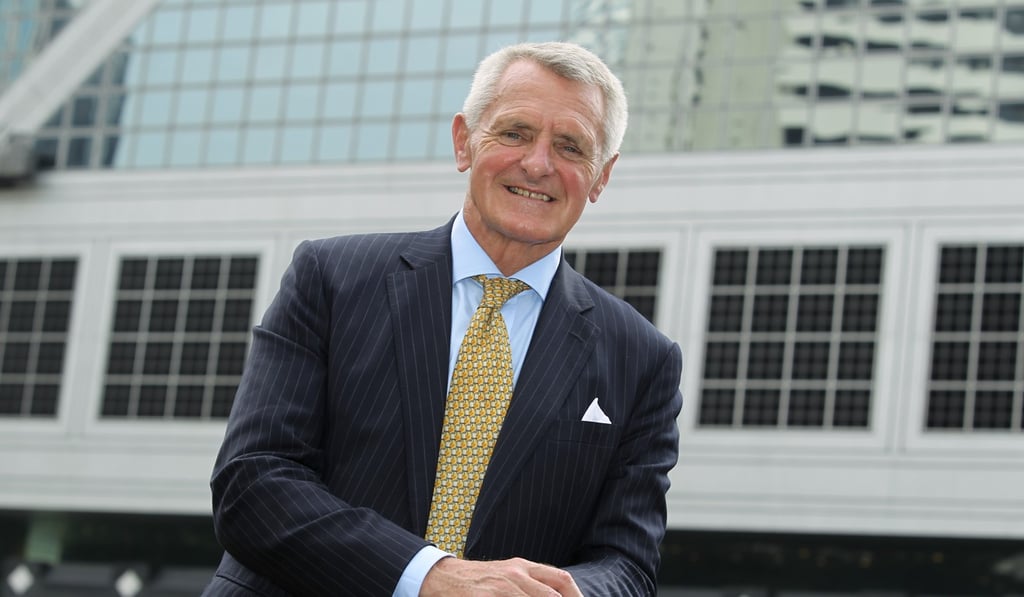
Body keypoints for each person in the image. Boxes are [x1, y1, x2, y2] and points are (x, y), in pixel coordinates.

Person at [202, 41, 683, 597]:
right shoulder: (331, 278)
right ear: (464, 141)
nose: (538, 164)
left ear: (601, 177)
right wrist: (429, 575)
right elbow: (252, 484)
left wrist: (565, 594)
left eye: (571, 146)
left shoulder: (643, 359)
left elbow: (626, 565)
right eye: (515, 133)